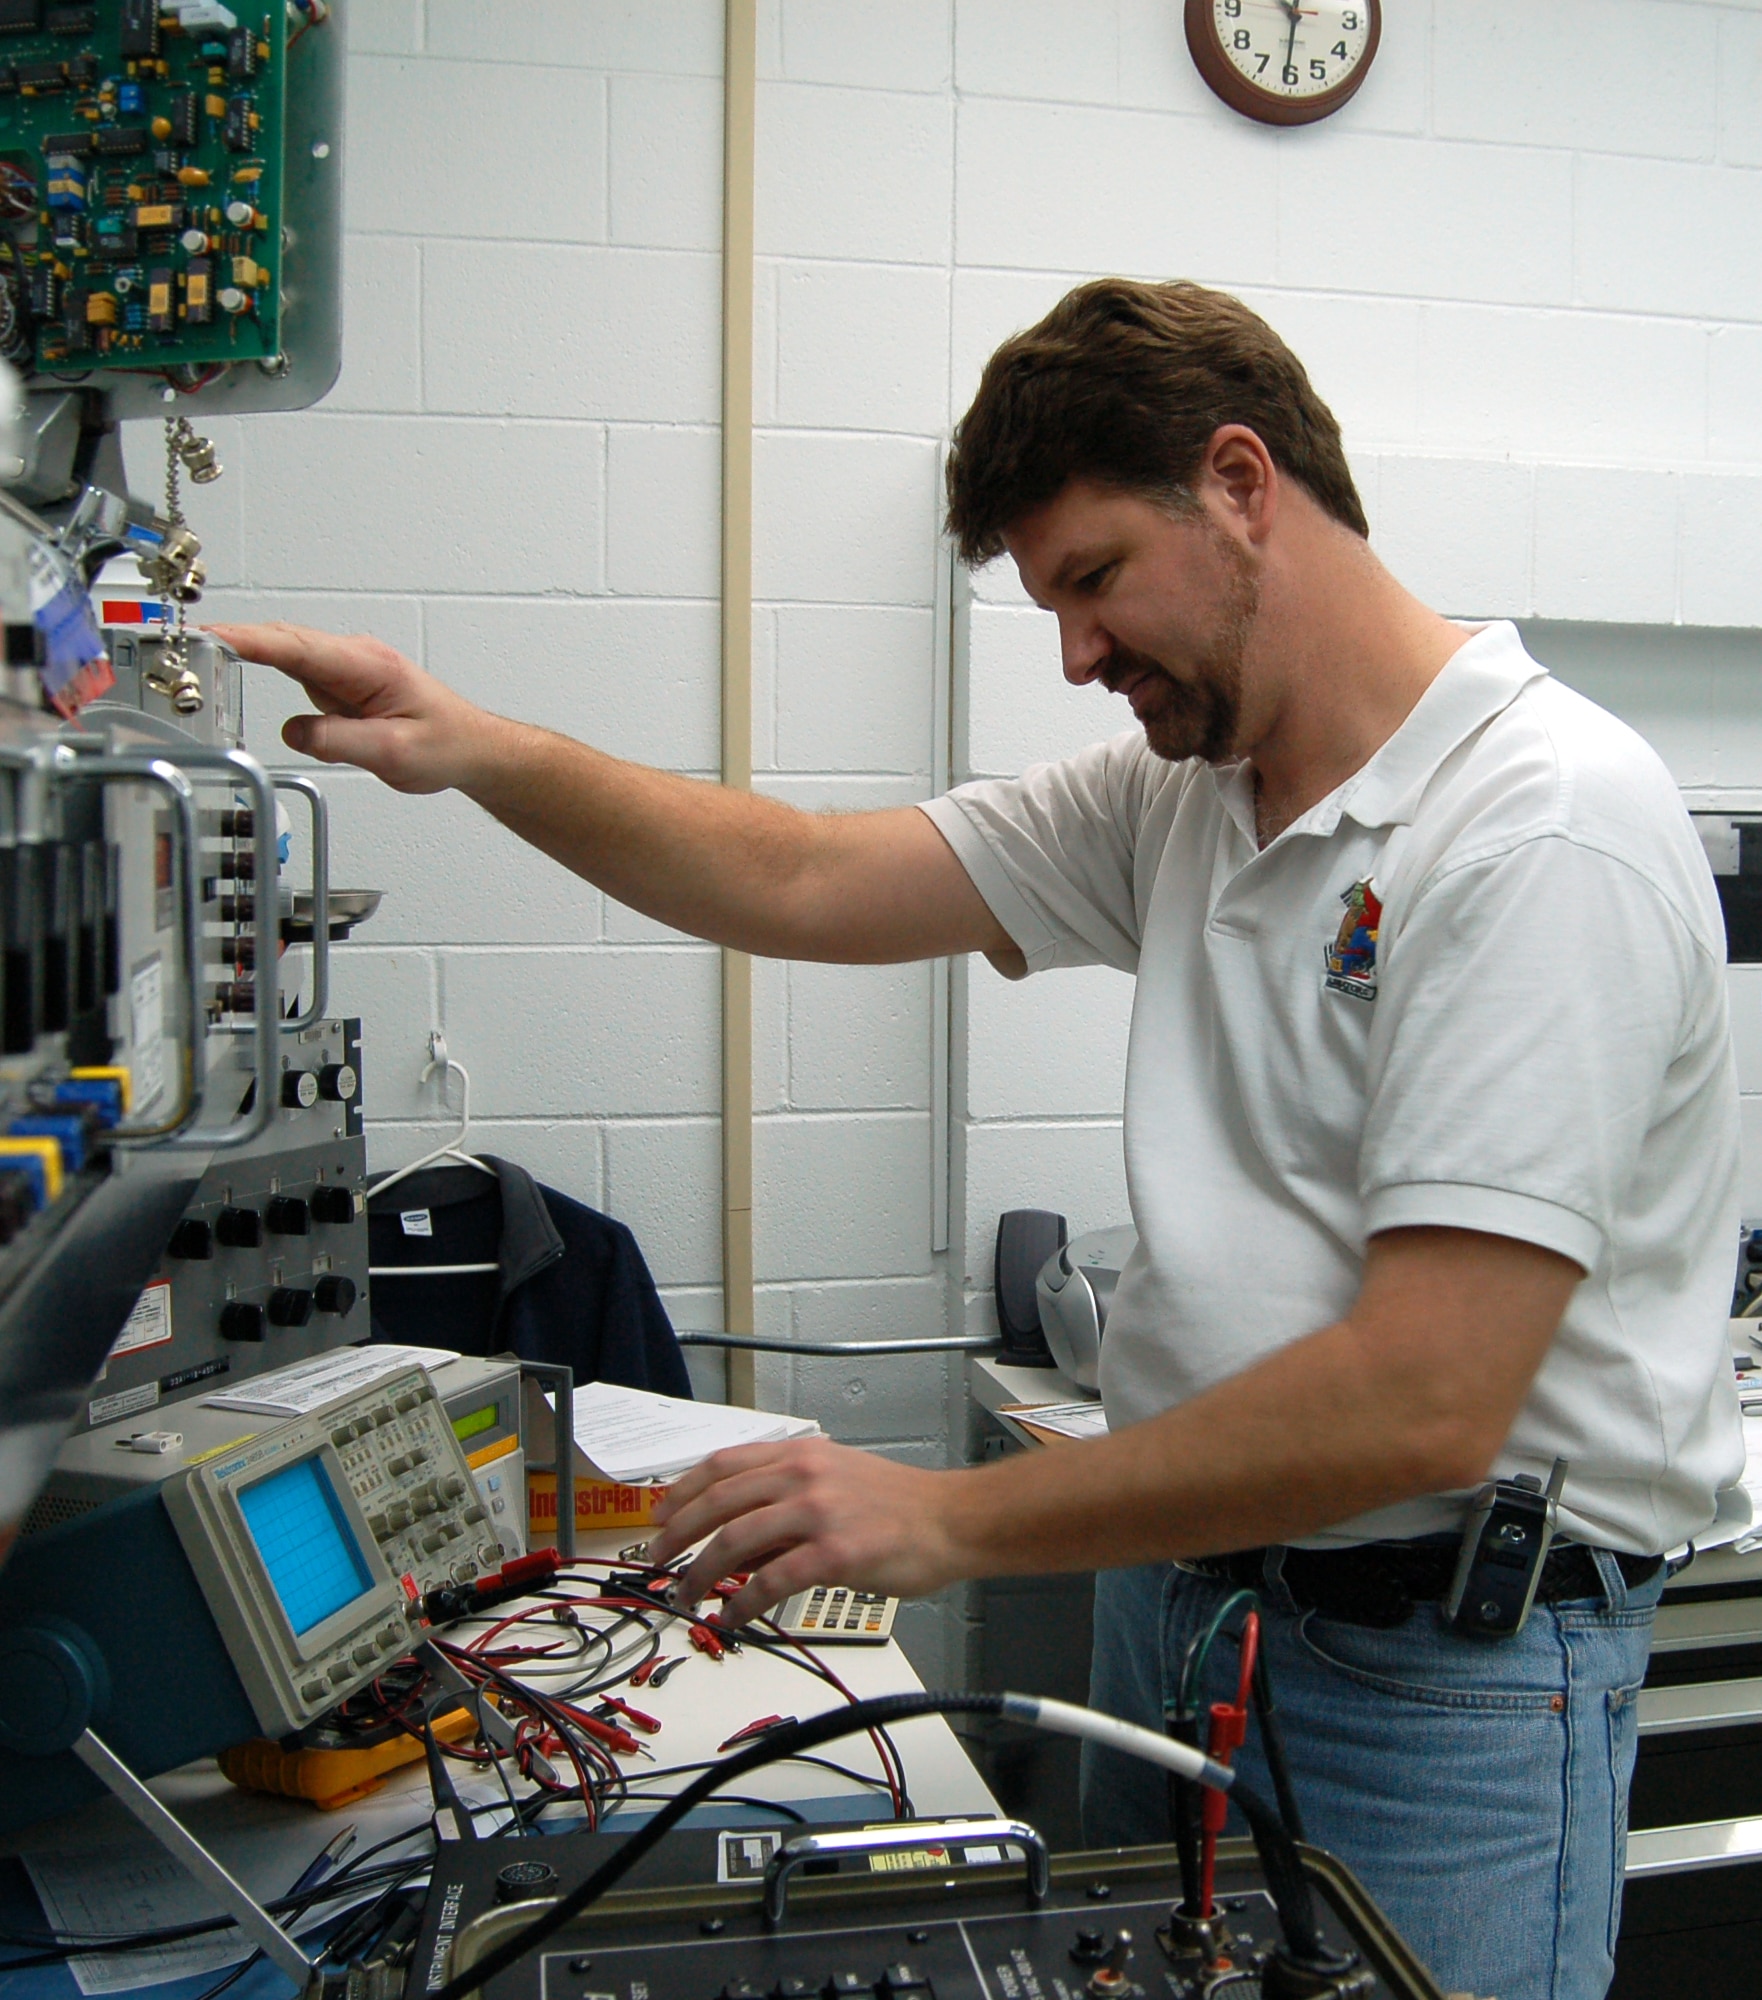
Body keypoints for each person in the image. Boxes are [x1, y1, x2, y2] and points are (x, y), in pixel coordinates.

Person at [210, 278, 1743, 2000]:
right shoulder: (1187, 797)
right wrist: (475, 747)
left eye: (1091, 581)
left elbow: (1424, 1394)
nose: (1076, 653)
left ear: (1240, 482)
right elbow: (795, 874)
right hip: (1191, 1617)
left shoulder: (1540, 825)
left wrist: (940, 1519)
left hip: (1443, 1681)